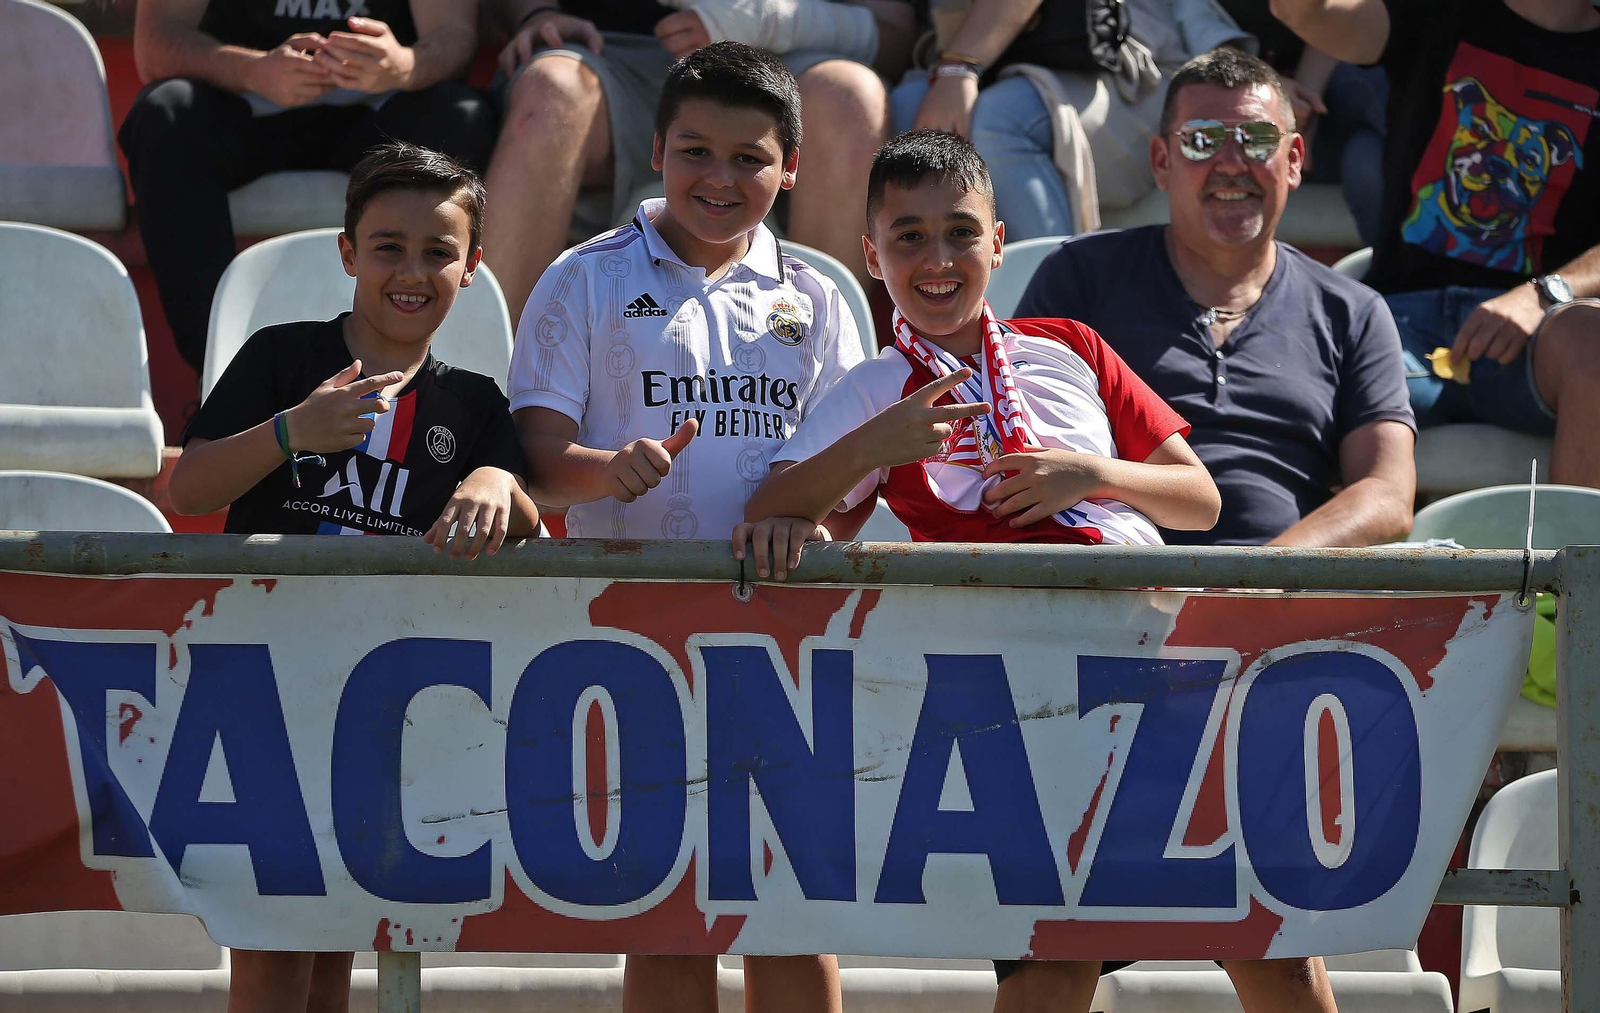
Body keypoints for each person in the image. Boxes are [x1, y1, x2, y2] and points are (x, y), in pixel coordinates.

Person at [741, 129, 1220, 1010]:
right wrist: (876, 444)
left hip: (1160, 666)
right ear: (870, 255)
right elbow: (772, 509)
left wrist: (1093, 475)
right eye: (908, 236)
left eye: (962, 231)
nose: (937, 258)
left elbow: (1200, 502)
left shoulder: (1071, 344)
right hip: (1027, 700)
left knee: (1271, 945)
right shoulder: (871, 387)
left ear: (1000, 241)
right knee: (1053, 960)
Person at [506, 42, 867, 1012]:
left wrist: (814, 517)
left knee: (793, 912)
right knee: (671, 918)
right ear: (655, 149)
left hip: (787, 646)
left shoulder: (823, 298)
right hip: (633, 639)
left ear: (791, 169)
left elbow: (857, 483)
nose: (720, 177)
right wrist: (604, 469)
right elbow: (531, 457)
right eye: (695, 150)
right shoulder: (580, 279)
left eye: (750, 157)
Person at [168, 142, 539, 1013]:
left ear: (473, 268)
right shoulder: (281, 359)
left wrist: (496, 481)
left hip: (392, 705)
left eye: (439, 252)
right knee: (271, 953)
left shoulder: (476, 405)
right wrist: (291, 432)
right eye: (388, 247)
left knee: (340, 936)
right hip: (265, 687)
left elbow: (527, 520)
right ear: (347, 253)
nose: (413, 271)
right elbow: (186, 488)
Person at [1019, 48, 1417, 553]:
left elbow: (1388, 493)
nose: (1231, 164)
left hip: (1285, 605)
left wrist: (1263, 581)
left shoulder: (1354, 312)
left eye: (1256, 139)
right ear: (1162, 162)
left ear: (1293, 160)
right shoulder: (1081, 277)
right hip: (1111, 587)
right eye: (1202, 141)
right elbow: (1019, 441)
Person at [1271, 0, 1600, 489]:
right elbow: (1303, 11)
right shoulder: (1435, 12)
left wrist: (1543, 294)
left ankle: (1581, 562)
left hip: (1541, 336)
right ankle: (1279, 563)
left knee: (1593, 340)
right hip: (1396, 324)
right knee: (1279, 364)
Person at [118, 0, 494, 378]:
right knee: (163, 117)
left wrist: (404, 65)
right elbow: (155, 42)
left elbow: (455, 37)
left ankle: (420, 379)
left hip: (382, 113)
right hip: (239, 103)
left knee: (464, 115)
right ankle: (222, 375)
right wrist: (252, 69)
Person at [483, 0, 917, 321]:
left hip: (794, 60)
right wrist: (534, 13)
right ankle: (488, 389)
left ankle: (824, 369)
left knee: (850, 99)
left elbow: (894, 33)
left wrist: (766, 17)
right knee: (548, 93)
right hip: (610, 54)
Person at [888, 0, 1252, 239]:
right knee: (906, 115)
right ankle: (933, 338)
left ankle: (1054, 328)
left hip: (1136, 72)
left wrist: (959, 68)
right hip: (993, 65)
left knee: (1001, 121)